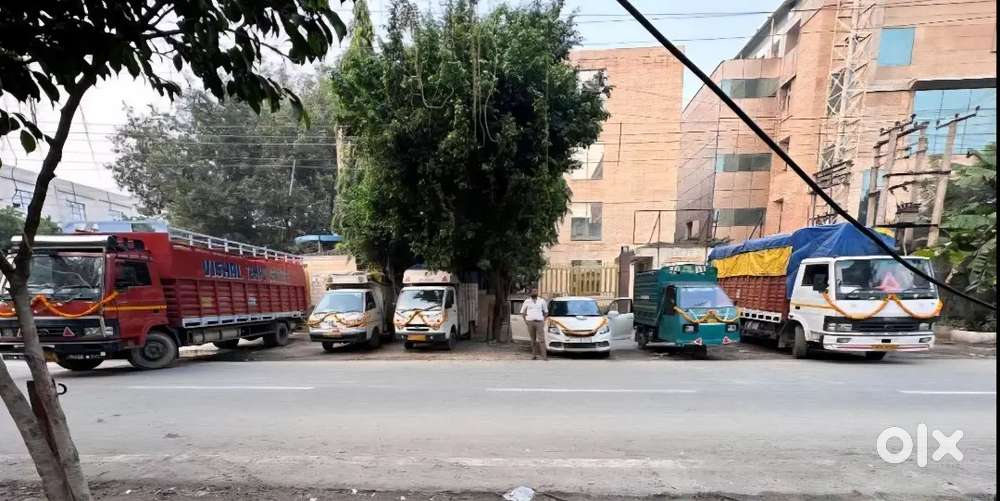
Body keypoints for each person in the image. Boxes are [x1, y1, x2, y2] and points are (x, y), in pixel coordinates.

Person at [520, 289, 548, 360]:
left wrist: (543, 320)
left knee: (541, 339)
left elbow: (546, 312)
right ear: (530, 293)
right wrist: (525, 321)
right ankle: (534, 355)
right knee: (533, 339)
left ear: (537, 293)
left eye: (535, 291)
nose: (534, 293)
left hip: (539, 322)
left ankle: (544, 356)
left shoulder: (542, 301)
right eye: (532, 291)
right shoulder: (527, 301)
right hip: (530, 322)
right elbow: (522, 312)